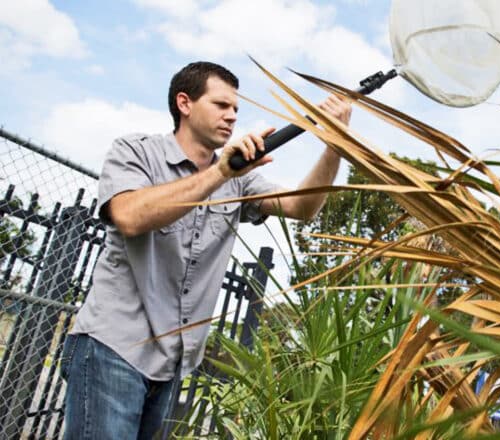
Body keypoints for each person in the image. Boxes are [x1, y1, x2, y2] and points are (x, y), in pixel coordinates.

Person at [59, 61, 351, 439]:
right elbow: (129, 216)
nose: (232, 117)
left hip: (173, 363)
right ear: (185, 103)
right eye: (221, 105)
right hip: (112, 347)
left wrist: (335, 145)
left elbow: (302, 209)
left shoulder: (239, 181)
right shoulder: (136, 152)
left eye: (236, 110)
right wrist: (220, 174)